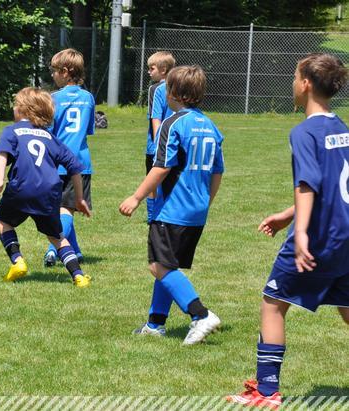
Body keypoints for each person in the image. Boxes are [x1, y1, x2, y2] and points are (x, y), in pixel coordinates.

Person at [227, 53, 349, 410]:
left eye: (295, 77)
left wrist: (301, 232)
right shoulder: (342, 128)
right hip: (346, 234)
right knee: (347, 307)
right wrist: (287, 214)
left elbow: (308, 183)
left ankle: (267, 391)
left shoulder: (304, 132)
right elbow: (334, 185)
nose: (292, 84)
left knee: (273, 303)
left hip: (321, 235)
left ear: (306, 84)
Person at [119, 65, 224, 345]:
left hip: (173, 209)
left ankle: (200, 314)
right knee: (168, 266)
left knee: (158, 265)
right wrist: (206, 202)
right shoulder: (211, 126)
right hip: (197, 210)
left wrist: (136, 197)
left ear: (174, 93)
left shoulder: (173, 123)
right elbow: (217, 172)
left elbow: (162, 167)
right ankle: (155, 324)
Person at [0, 87, 92, 288]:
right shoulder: (50, 137)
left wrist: (0, 179)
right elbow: (75, 167)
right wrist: (79, 199)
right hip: (49, 191)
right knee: (57, 237)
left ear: (23, 109)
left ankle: (18, 261)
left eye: (16, 105)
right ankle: (78, 276)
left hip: (21, 187)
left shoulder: (11, 130)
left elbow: (2, 153)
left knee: (2, 219)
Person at [43, 48, 96, 267]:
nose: (52, 75)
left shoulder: (53, 99)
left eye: (54, 71)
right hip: (81, 163)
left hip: (58, 163)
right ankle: (75, 250)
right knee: (67, 208)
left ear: (65, 72)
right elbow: (89, 130)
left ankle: (53, 250)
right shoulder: (88, 97)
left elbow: (49, 132)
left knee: (63, 209)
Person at [145, 51, 176, 223]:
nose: (149, 72)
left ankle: (153, 216)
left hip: (156, 145)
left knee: (152, 181)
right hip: (175, 143)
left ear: (163, 70)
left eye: (152, 68)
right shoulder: (179, 86)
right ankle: (167, 215)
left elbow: (155, 117)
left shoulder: (155, 89)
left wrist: (158, 142)